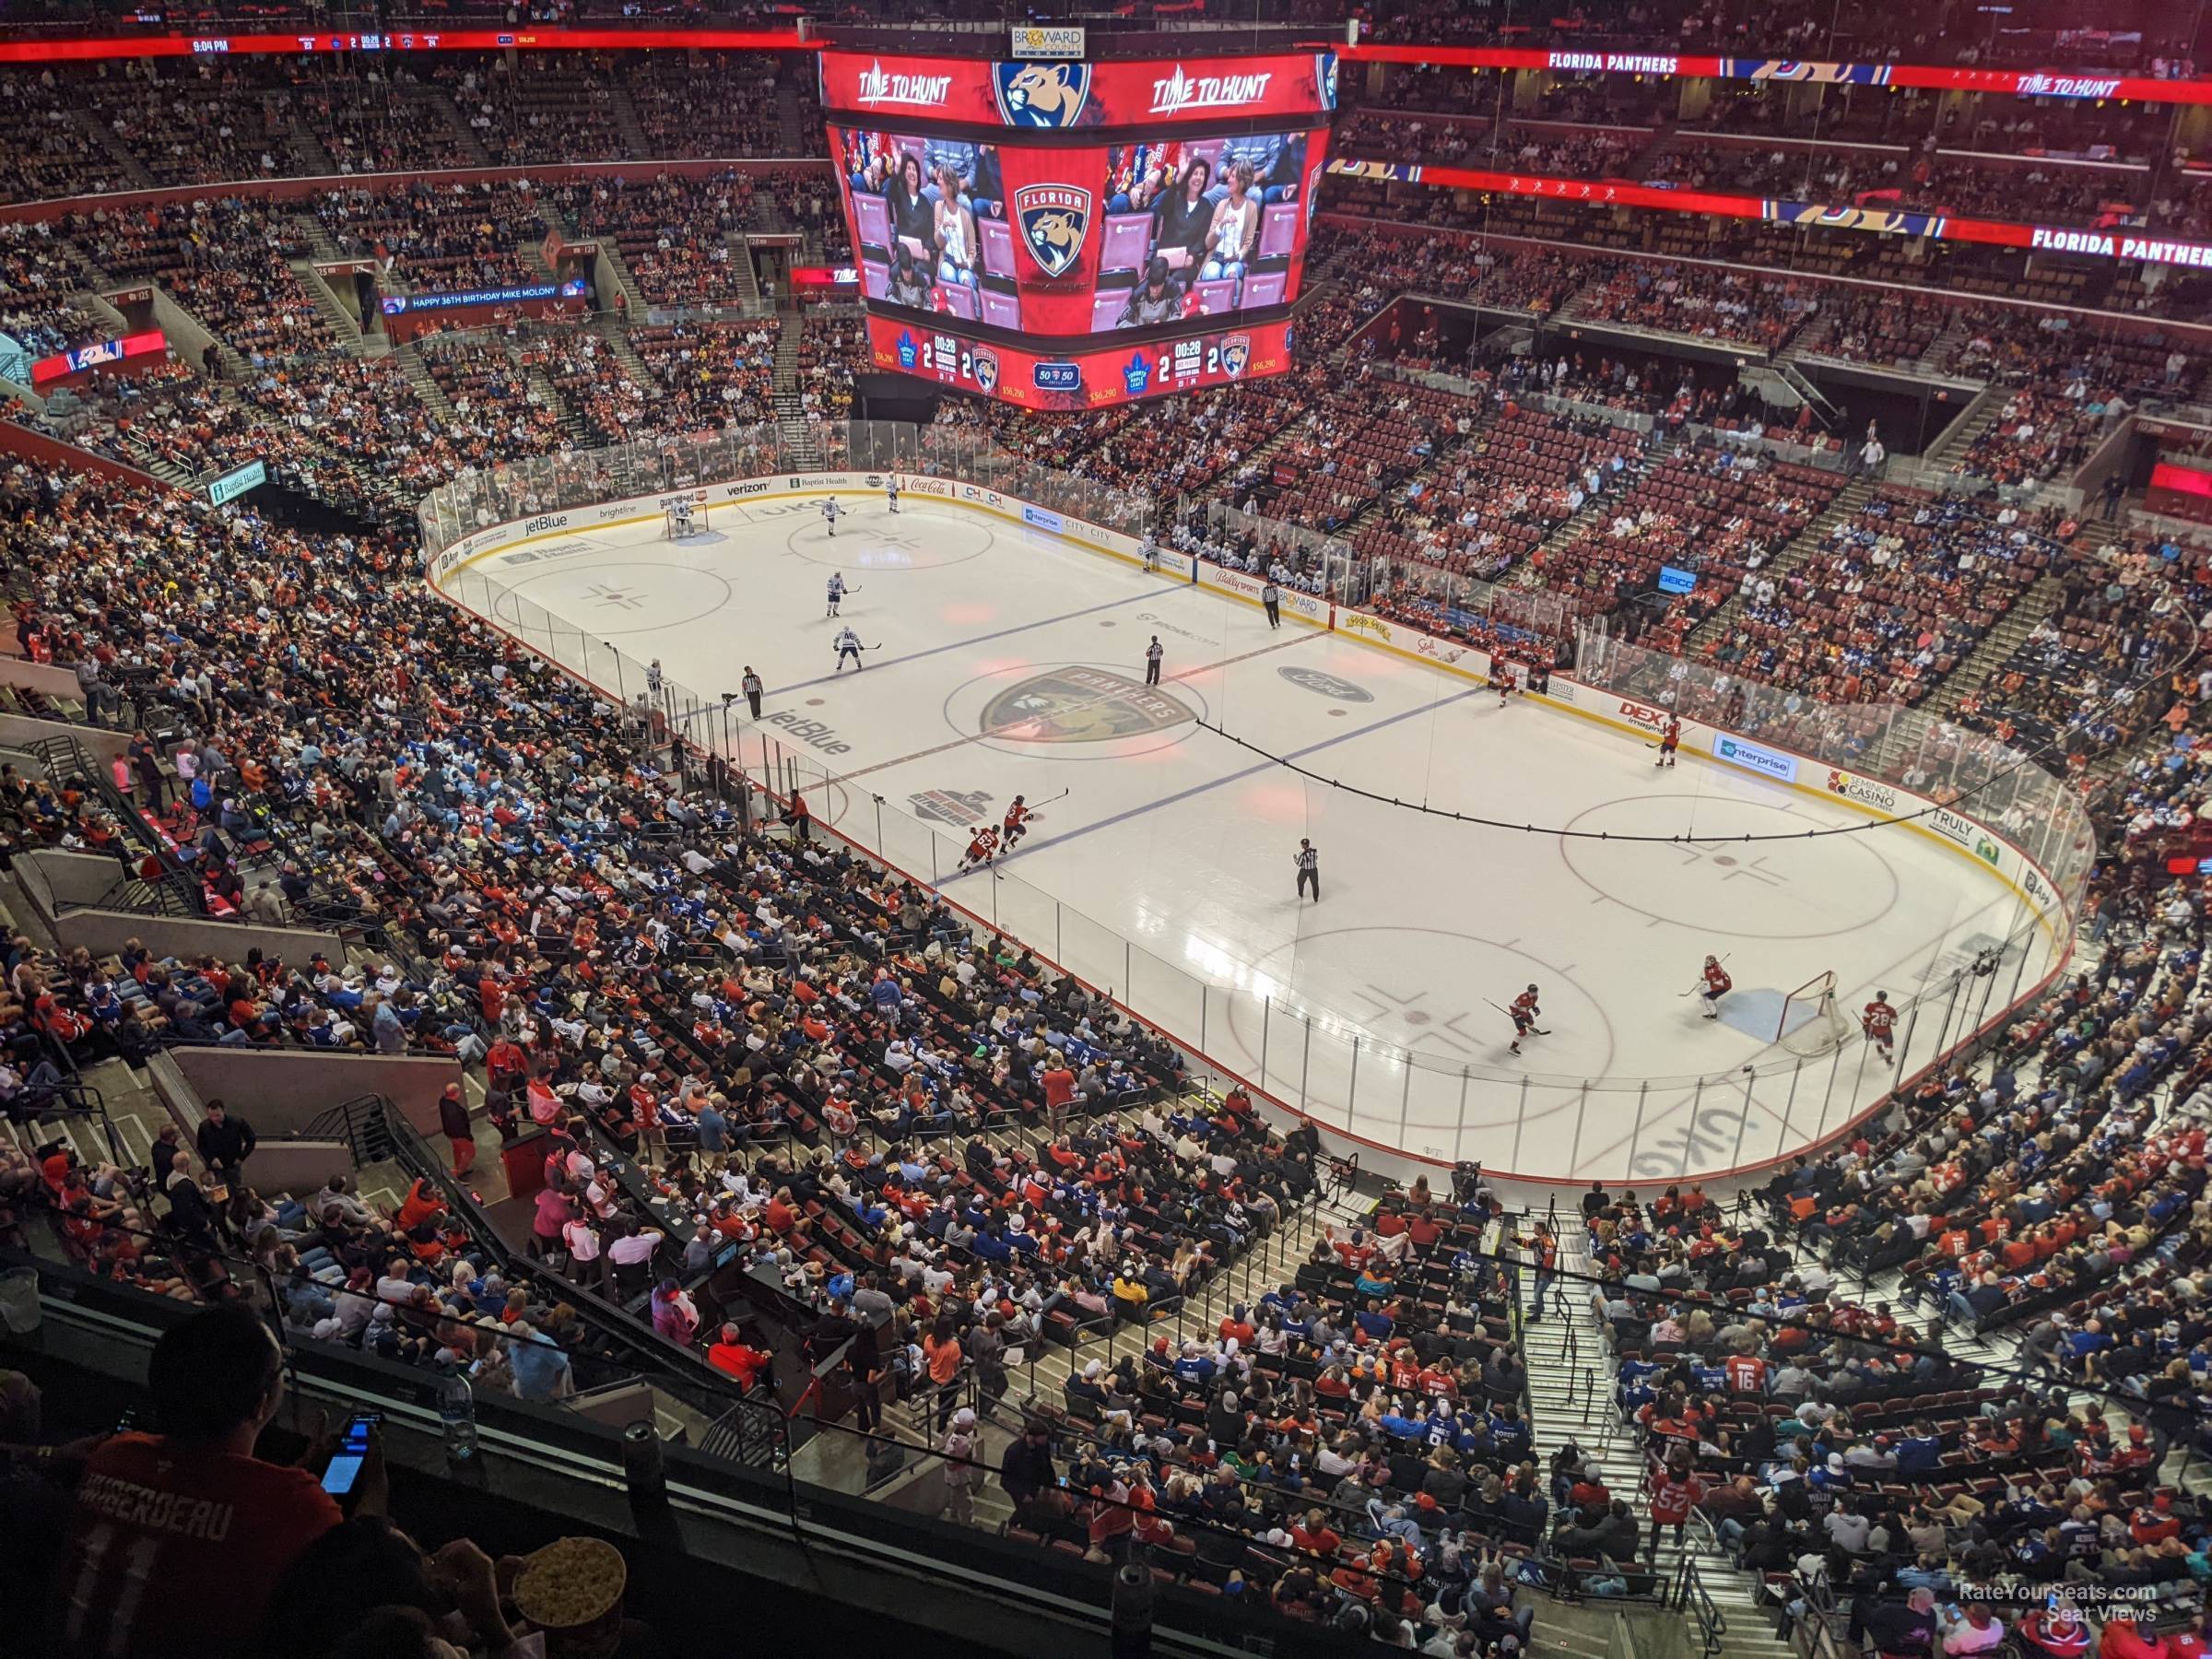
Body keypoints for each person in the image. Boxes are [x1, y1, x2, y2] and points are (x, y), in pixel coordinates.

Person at [50, 1302, 349, 1659]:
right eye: (280, 1368)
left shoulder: (114, 1456)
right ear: (261, 1403)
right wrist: (371, 1482)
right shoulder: (298, 1507)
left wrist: (294, 1478)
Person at [194, 1100, 255, 1178]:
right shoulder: (204, 1127)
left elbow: (251, 1139)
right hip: (214, 1167)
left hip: (232, 1165)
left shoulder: (236, 1123)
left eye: (217, 1116)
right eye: (211, 1116)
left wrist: (242, 1157)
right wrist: (211, 1159)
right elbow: (201, 1146)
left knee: (234, 1187)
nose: (214, 1119)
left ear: (223, 1111)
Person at [436, 1082, 475, 1180]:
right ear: (456, 1093)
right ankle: (459, 1173)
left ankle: (459, 1168)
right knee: (470, 1152)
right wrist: (468, 1136)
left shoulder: (443, 1101)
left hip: (450, 1133)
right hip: (459, 1136)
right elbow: (459, 1127)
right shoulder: (455, 1112)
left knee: (457, 1151)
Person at [1508, 984, 1545, 1055]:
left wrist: (1536, 1009)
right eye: (1534, 992)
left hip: (1525, 1013)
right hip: (1517, 1015)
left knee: (1531, 1022)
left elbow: (1532, 1004)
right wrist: (1518, 1016)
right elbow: (1512, 1006)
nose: (1536, 993)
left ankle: (1531, 1028)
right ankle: (1512, 1048)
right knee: (1523, 1032)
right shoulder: (1522, 997)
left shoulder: (1535, 997)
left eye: (1536, 991)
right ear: (1529, 992)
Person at [1862, 992, 1896, 1061]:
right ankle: (1889, 1062)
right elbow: (1894, 1022)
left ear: (1877, 997)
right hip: (1886, 1030)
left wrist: (1866, 1029)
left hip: (1874, 1029)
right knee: (1889, 1045)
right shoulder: (1890, 1009)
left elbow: (1866, 1018)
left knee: (1878, 1038)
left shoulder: (1870, 1006)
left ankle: (1880, 1053)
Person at [1697, 955, 1732, 1021]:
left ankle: (1713, 1014)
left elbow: (1717, 984)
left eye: (1708, 962)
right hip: (1723, 982)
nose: (1706, 963)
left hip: (1724, 986)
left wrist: (1706, 986)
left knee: (1708, 998)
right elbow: (1709, 974)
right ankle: (1709, 1011)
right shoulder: (1715, 965)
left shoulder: (1715, 973)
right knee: (1705, 995)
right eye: (1706, 961)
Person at [1294, 838, 1320, 902]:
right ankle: (1316, 899)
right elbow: (1316, 857)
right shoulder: (1314, 850)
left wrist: (1295, 858)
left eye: (1302, 844)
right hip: (1313, 870)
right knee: (1315, 885)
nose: (1301, 845)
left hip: (1305, 871)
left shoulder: (1302, 854)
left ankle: (1300, 894)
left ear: (1304, 845)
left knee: (1300, 881)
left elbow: (1299, 864)